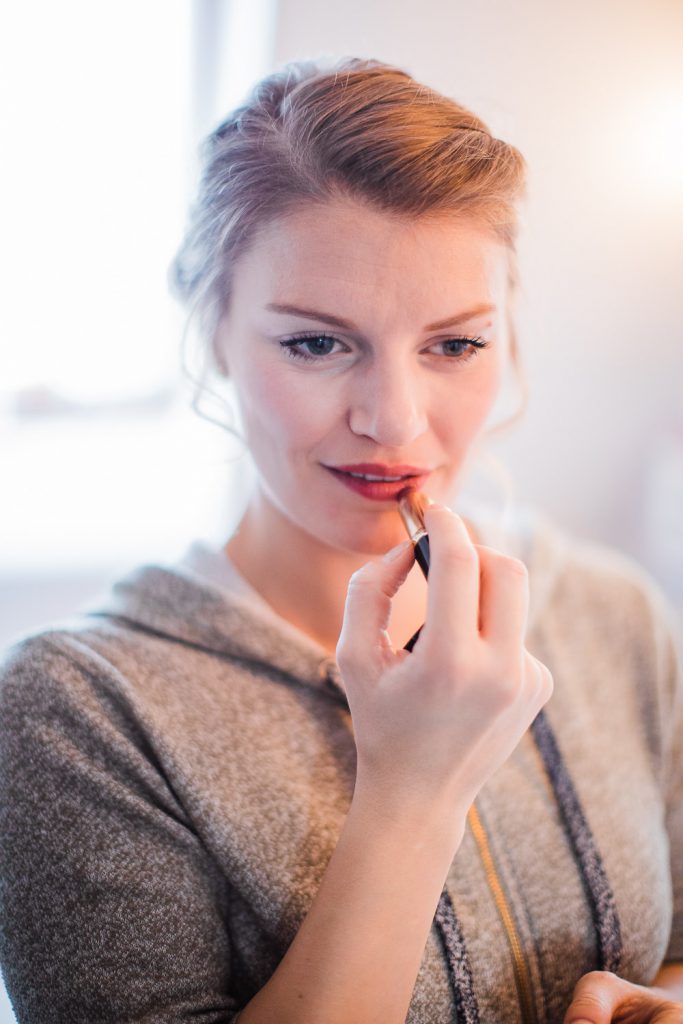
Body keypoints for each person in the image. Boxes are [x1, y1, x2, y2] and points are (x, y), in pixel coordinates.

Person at [1, 55, 682, 1024]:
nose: (394, 421)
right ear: (212, 333)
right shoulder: (80, 709)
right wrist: (412, 791)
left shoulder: (615, 616)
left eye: (453, 343)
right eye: (316, 343)